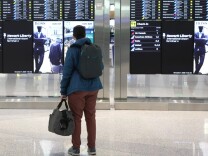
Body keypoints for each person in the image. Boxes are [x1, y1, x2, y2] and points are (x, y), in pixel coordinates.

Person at [60, 25, 103, 156]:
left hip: (77, 89)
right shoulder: (95, 48)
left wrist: (63, 91)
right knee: (91, 117)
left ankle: (76, 148)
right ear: (85, 35)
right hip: (94, 87)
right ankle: (92, 148)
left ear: (74, 36)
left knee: (76, 118)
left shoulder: (73, 50)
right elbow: (101, 67)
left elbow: (67, 72)